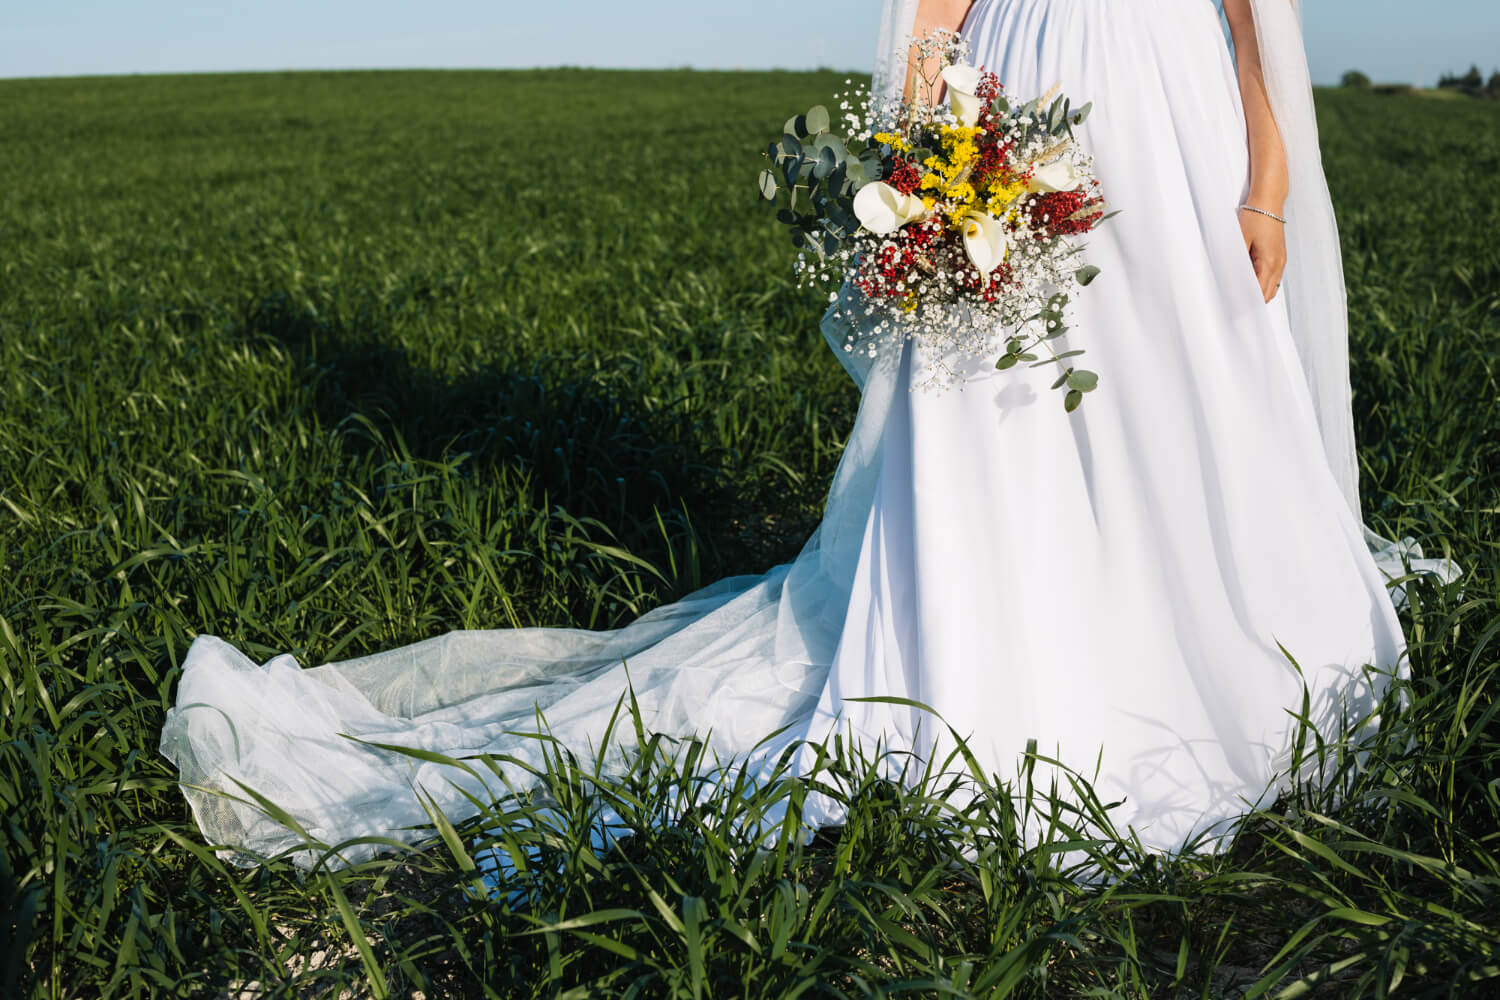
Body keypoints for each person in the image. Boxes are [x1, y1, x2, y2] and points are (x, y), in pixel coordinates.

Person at [160, 0, 1459, 870]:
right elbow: (940, 4)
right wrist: (924, 164)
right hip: (1029, 96)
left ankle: (1187, 621)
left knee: (1183, 403)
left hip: (1179, 126)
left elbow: (1250, 16)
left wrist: (1269, 182)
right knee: (1016, 411)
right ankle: (1024, 643)